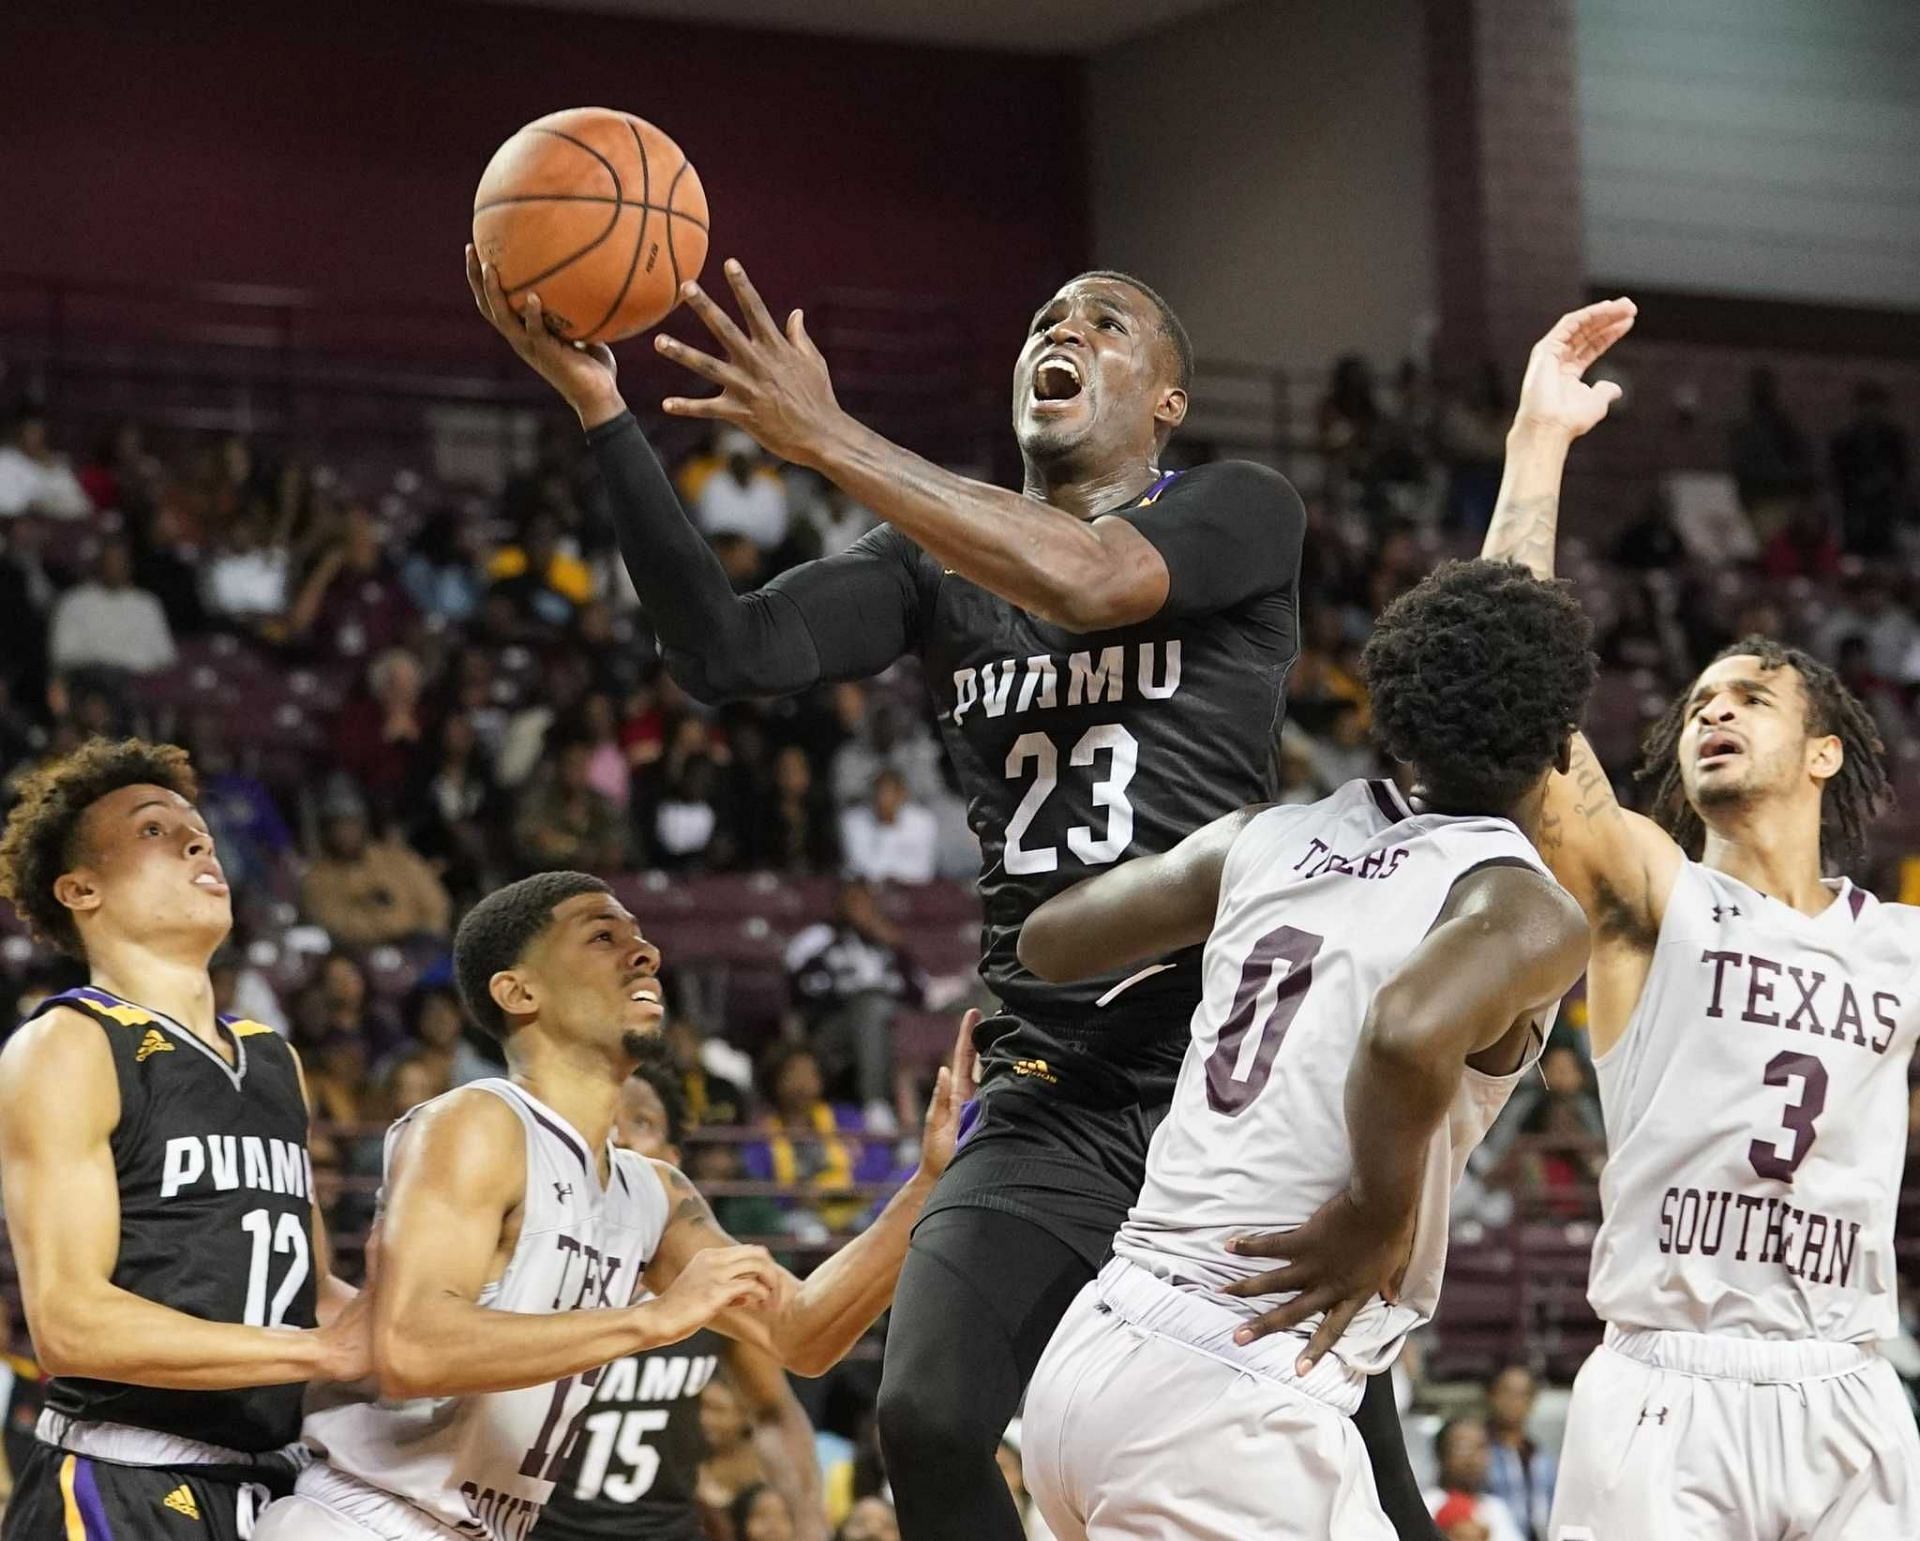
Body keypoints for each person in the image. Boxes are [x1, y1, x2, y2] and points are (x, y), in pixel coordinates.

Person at [467, 250, 1450, 1541]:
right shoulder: (935, 565)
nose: (1066, 328)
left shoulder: (1239, 506)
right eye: (1048, 316)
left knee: (1360, 1466)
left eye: (1108, 322)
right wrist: (604, 413)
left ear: (1163, 400)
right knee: (925, 1416)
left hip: (1228, 1073)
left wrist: (825, 436)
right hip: (1048, 1077)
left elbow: (1088, 581)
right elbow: (725, 650)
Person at [1014, 556, 1594, 1540]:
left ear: (1390, 717)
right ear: (1561, 746)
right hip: (1235, 1386)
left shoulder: (1263, 836)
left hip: (1097, 1349)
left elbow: (1050, 938)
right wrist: (1375, 1213)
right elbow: (1407, 1030)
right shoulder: (1522, 901)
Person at [1478, 301, 1920, 1537]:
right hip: (1672, 1381)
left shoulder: (1898, 943)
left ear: (1828, 750)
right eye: (1698, 700)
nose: (1711, 710)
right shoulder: (1654, 891)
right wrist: (1538, 445)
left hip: (1850, 1386)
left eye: (1752, 696)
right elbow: (1510, 700)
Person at [255, 870, 972, 1540]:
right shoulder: (478, 1122)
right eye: (603, 935)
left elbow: (804, 1334)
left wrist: (928, 1183)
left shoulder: (652, 1192)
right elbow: (409, 1346)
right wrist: (647, 1319)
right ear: (518, 991)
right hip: (367, 1512)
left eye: (641, 936)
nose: (646, 952)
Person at [0, 738, 367, 1539]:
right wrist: (324, 1353)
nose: (200, 840)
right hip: (119, 1479)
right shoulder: (68, 1043)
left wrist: (416, 1335)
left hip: (270, 1485)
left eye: (198, 827)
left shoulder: (274, 1055)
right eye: (154, 830)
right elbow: (69, 1322)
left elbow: (308, 1286)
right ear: (81, 888)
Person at [537, 1051, 827, 1541]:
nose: (618, 1136)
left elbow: (774, 1410)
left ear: (671, 1163)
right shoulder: (537, 1267)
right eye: (601, 1122)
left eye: (642, 1122)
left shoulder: (706, 1280)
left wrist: (810, 1525)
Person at [46, 536, 179, 677]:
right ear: (99, 564)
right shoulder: (74, 602)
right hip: (93, 682)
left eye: (121, 562)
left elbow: (166, 656)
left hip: (142, 683)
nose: (116, 567)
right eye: (110, 561)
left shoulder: (147, 603)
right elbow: (62, 655)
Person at [1483, 1364, 1553, 1541]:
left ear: (1532, 1401)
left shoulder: (1544, 1459)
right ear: (1491, 1395)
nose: (1513, 1401)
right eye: (1507, 1392)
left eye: (1522, 1395)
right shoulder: (1480, 1454)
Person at [1422, 1420, 1524, 1541]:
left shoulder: (1496, 1508)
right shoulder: (1423, 1506)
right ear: (1441, 1454)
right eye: (1463, 1448)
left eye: (1481, 1447)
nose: (1474, 1458)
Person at [839, 770, 938, 886]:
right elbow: (863, 870)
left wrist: (890, 875)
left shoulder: (923, 820)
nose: (881, 799)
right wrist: (886, 826)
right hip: (867, 891)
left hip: (913, 889)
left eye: (888, 793)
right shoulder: (853, 820)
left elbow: (924, 870)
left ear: (903, 794)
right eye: (878, 792)